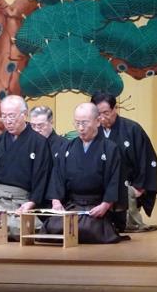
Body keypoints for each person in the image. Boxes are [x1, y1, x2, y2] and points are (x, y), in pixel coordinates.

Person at [0, 95, 53, 240]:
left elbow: (42, 176)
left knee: (19, 230)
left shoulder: (39, 143)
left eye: (12, 116)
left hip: (22, 202)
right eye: (4, 116)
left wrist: (31, 203)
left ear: (24, 114)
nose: (8, 121)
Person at [41, 103, 124, 244]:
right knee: (53, 227)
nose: (80, 128)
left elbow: (115, 180)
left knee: (88, 229)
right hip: (72, 205)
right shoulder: (67, 147)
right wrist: (56, 202)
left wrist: (105, 205)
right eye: (77, 123)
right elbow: (57, 175)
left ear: (97, 121)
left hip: (96, 206)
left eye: (85, 123)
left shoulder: (110, 149)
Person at [91, 92, 157, 233]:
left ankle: (132, 222)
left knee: (127, 191)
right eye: (98, 114)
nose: (102, 117)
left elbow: (146, 159)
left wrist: (139, 187)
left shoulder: (132, 129)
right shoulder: (93, 131)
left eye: (106, 112)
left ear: (115, 109)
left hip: (128, 183)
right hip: (100, 183)